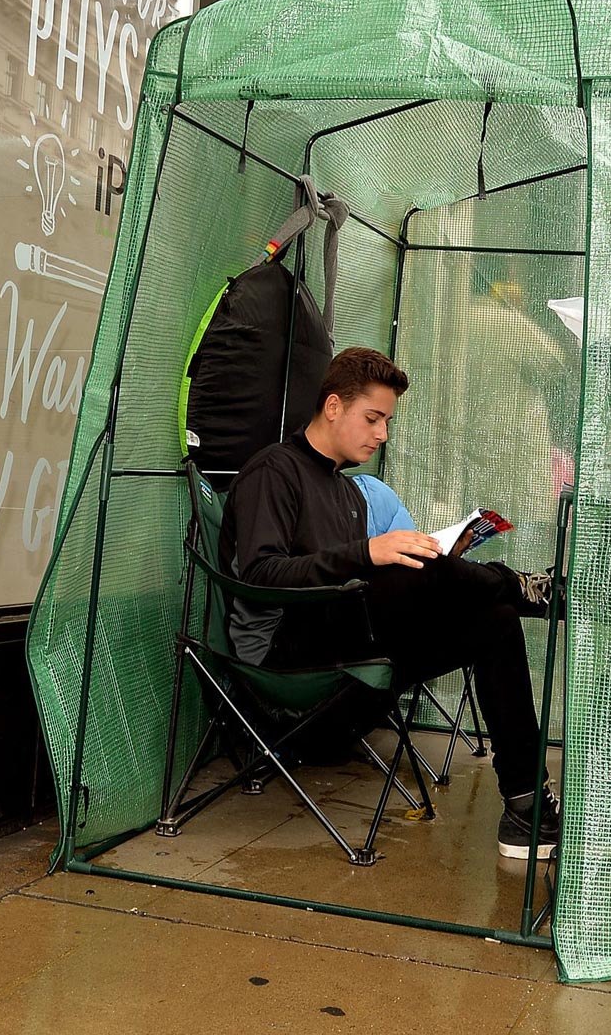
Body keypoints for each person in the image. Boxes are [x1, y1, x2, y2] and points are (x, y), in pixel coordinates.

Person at [221, 347, 562, 860]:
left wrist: (383, 555)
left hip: (351, 653)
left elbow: (356, 575)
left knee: (495, 621)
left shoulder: (348, 491)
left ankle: (525, 805)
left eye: (386, 422)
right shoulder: (274, 471)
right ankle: (527, 587)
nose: (381, 434)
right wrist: (368, 552)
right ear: (333, 406)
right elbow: (260, 573)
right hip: (285, 656)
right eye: (373, 418)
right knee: (405, 563)